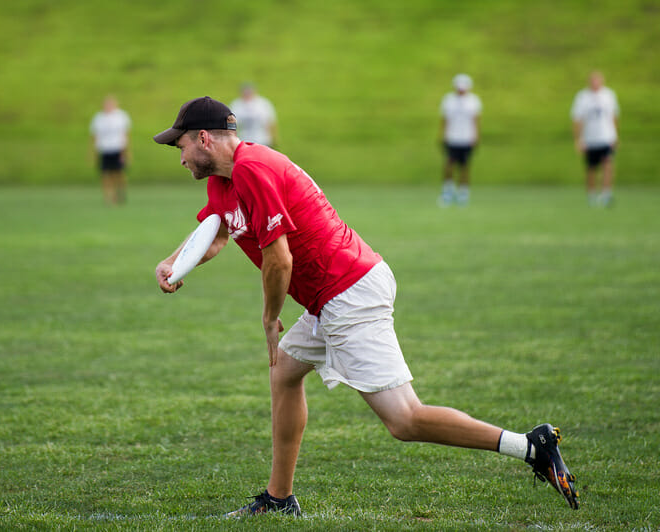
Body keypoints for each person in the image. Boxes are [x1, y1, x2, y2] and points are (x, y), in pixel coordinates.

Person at [152, 96, 579, 517]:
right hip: (331, 294)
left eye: (180, 144)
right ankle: (279, 499)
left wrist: (269, 317)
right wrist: (174, 262)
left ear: (204, 138)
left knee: (405, 421)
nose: (180, 155)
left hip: (348, 290)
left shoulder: (253, 169)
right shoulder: (222, 181)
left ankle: (530, 446)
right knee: (284, 371)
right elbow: (219, 234)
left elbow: (279, 258)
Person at [571, 71, 620, 207]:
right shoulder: (582, 97)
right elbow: (577, 119)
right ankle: (591, 195)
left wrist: (616, 136)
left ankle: (606, 194)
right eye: (593, 81)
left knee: (608, 164)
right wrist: (578, 139)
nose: (595, 83)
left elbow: (614, 116)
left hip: (606, 136)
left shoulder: (609, 95)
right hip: (590, 138)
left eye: (598, 80)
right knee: (591, 168)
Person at [439, 74, 481, 206]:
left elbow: (476, 120)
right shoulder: (449, 100)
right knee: (449, 164)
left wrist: (476, 136)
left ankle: (463, 193)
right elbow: (445, 119)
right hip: (452, 137)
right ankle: (448, 191)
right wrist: (443, 135)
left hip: (466, 138)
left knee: (464, 166)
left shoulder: (473, 101)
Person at [90, 95, 132, 205]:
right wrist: (93, 151)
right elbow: (95, 136)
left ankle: (121, 194)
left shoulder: (121, 116)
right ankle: (109, 197)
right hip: (105, 149)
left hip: (117, 148)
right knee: (105, 174)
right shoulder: (99, 118)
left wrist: (126, 152)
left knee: (119, 174)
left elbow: (125, 135)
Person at [229, 83, 278, 148]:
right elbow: (231, 124)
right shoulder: (236, 105)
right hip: (245, 141)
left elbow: (270, 122)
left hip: (262, 140)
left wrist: (273, 138)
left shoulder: (263, 103)